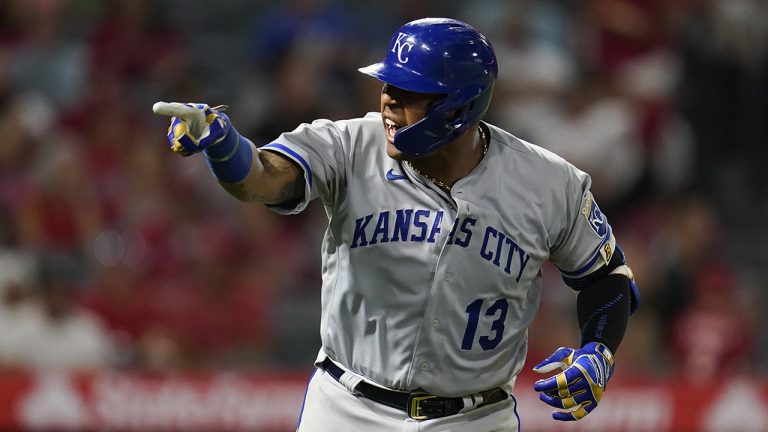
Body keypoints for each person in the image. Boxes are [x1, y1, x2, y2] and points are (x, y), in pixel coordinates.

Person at [154, 17, 640, 432]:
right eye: (388, 85)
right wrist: (224, 146)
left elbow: (606, 278)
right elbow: (263, 179)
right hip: (346, 408)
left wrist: (598, 351)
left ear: (459, 105)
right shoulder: (348, 145)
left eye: (409, 93)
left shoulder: (548, 183)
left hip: (474, 419)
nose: (387, 100)